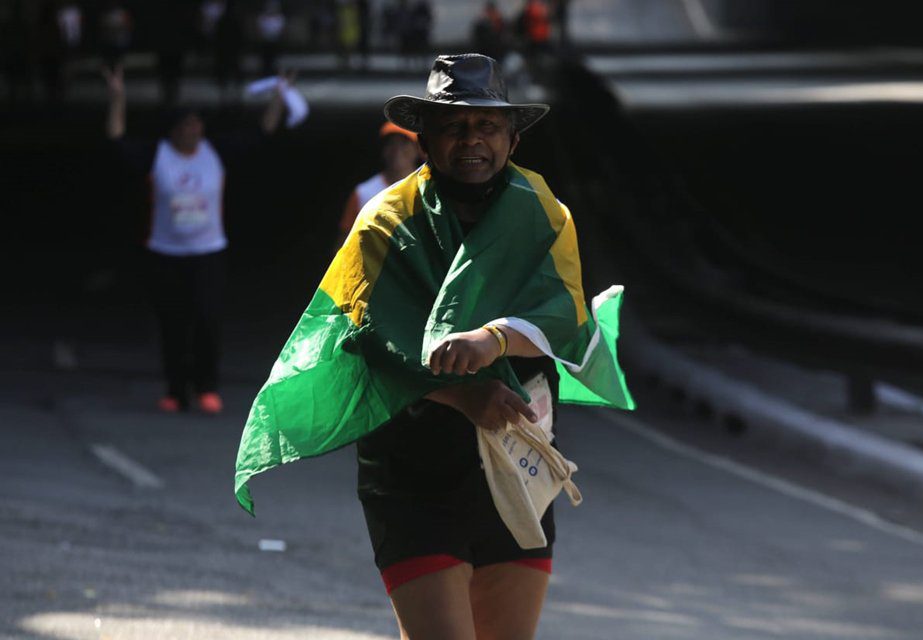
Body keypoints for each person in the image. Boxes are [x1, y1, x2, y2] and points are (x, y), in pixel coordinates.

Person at [234, 54, 634, 639]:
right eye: (454, 126)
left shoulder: (544, 213)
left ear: (512, 138)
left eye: (487, 126)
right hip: (410, 471)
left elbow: (563, 318)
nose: (471, 141)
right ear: (424, 138)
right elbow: (365, 337)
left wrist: (492, 338)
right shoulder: (385, 220)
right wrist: (464, 397)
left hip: (515, 464)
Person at [102, 65, 288, 414]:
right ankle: (175, 390)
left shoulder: (214, 151)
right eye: (186, 125)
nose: (193, 130)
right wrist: (117, 97)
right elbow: (116, 142)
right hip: (165, 254)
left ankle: (207, 386)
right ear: (173, 130)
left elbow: (262, 133)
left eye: (197, 124)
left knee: (206, 319)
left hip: (208, 254)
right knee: (173, 323)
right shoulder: (157, 154)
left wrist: (278, 98)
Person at [335, 121, 422, 249]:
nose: (397, 150)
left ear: (418, 150)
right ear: (383, 150)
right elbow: (343, 245)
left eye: (404, 143)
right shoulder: (363, 192)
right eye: (391, 144)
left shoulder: (430, 188)